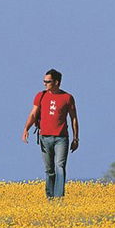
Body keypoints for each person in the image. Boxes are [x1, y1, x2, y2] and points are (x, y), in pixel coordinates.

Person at [21, 68, 79, 199]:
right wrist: (26, 129)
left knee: (60, 166)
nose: (45, 83)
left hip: (61, 138)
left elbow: (73, 118)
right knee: (49, 169)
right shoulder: (40, 95)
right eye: (44, 81)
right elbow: (33, 113)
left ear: (57, 82)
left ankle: (59, 197)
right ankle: (50, 197)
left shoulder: (67, 97)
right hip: (44, 137)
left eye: (48, 81)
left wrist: (76, 138)